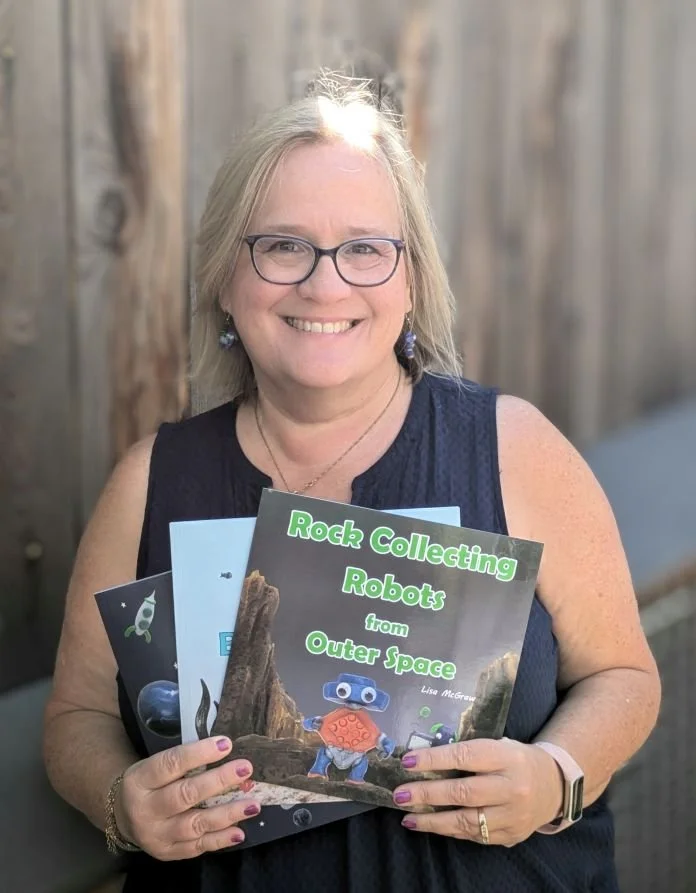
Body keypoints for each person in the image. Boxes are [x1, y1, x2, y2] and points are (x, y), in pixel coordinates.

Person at [43, 71, 660, 893]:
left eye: (365, 247)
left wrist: (556, 776)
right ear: (227, 277)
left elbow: (625, 677)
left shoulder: (514, 448)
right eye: (283, 245)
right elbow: (73, 720)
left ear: (410, 281)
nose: (324, 282)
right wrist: (121, 801)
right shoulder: (152, 480)